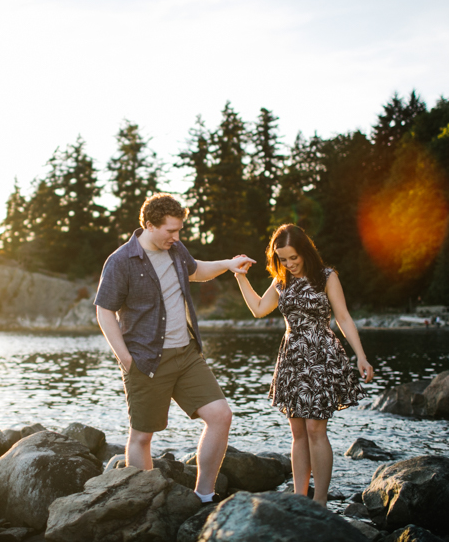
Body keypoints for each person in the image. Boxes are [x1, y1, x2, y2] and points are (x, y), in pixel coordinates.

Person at [94, 193, 254, 504]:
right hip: (145, 360)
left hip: (187, 355)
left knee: (221, 415)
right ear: (150, 226)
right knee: (142, 436)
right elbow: (103, 311)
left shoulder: (176, 249)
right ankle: (142, 505)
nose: (177, 237)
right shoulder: (120, 261)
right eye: (171, 230)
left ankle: (204, 496)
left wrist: (229, 265)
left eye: (179, 230)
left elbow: (197, 271)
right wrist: (125, 358)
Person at [232, 223, 373, 507]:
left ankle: (319, 502)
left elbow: (343, 318)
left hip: (321, 356)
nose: (289, 264)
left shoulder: (326, 276)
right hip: (292, 358)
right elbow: (259, 309)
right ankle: (300, 498)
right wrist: (240, 278)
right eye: (283, 259)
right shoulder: (281, 280)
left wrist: (360, 355)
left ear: (305, 252)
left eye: (293, 258)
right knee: (297, 432)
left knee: (315, 430)